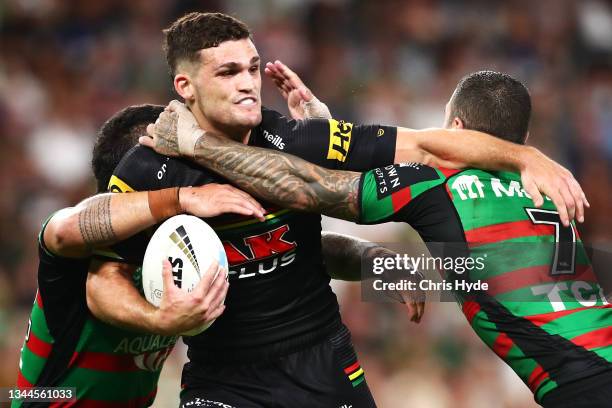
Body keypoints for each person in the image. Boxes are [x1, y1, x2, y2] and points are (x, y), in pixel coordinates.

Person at [94, 12, 591, 407]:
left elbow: (414, 153)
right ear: (185, 87)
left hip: (324, 367)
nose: (248, 82)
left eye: (252, 67)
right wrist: (156, 320)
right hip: (223, 381)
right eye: (228, 72)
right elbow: (102, 277)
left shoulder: (299, 136)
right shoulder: (142, 170)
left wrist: (375, 261)